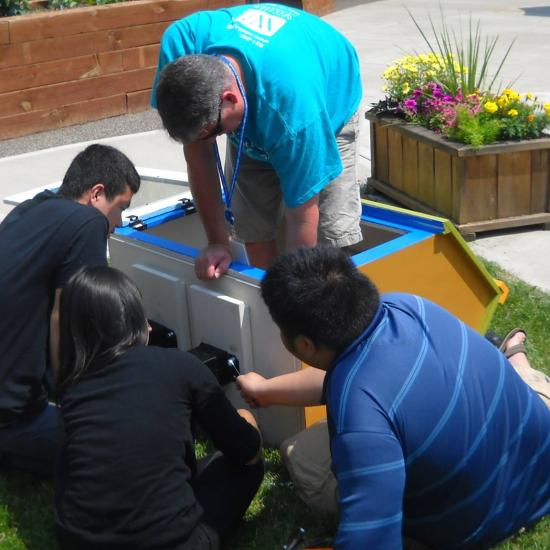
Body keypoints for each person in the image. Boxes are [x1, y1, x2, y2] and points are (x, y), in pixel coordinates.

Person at [236, 246, 550, 549]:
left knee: (299, 453)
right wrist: (266, 389)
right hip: (541, 464)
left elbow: (371, 538)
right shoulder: (406, 305)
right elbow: (343, 380)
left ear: (305, 345)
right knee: (524, 391)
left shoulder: (360, 416)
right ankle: (517, 362)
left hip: (477, 525)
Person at [54, 266, 263, 549]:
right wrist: (247, 418)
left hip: (79, 542)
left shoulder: (73, 388)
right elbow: (246, 451)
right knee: (244, 464)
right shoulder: (180, 365)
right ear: (139, 323)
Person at [151, 2, 363, 278]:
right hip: (270, 84)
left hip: (330, 99)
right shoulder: (182, 44)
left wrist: (295, 292)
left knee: (328, 239)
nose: (216, 140)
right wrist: (217, 242)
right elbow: (198, 154)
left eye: (216, 132)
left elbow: (302, 213)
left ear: (230, 99)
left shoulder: (296, 114)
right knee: (250, 225)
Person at [0, 144, 140, 476]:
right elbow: (70, 318)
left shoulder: (31, 208)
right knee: (125, 436)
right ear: (96, 194)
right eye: (120, 208)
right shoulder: (87, 222)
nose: (117, 223)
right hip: (11, 415)